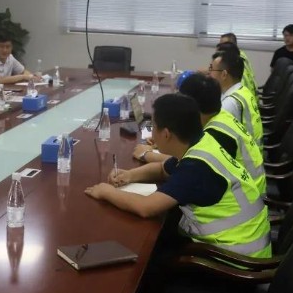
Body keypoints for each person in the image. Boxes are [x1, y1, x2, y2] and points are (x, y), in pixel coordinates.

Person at [84, 94, 271, 258]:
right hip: (247, 246)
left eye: (153, 127)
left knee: (154, 254)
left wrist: (106, 192)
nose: (152, 133)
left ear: (166, 134)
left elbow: (146, 207)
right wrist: (130, 175)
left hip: (235, 261)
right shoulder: (203, 143)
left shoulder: (194, 169)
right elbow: (162, 169)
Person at [132, 74, 266, 195]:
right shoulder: (220, 116)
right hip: (246, 188)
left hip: (247, 194)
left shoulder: (216, 134)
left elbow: (187, 162)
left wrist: (146, 154)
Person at [209, 50, 264, 149]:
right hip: (253, 153)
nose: (209, 73)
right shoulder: (243, 90)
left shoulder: (229, 105)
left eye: (211, 69)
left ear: (224, 74)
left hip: (242, 157)